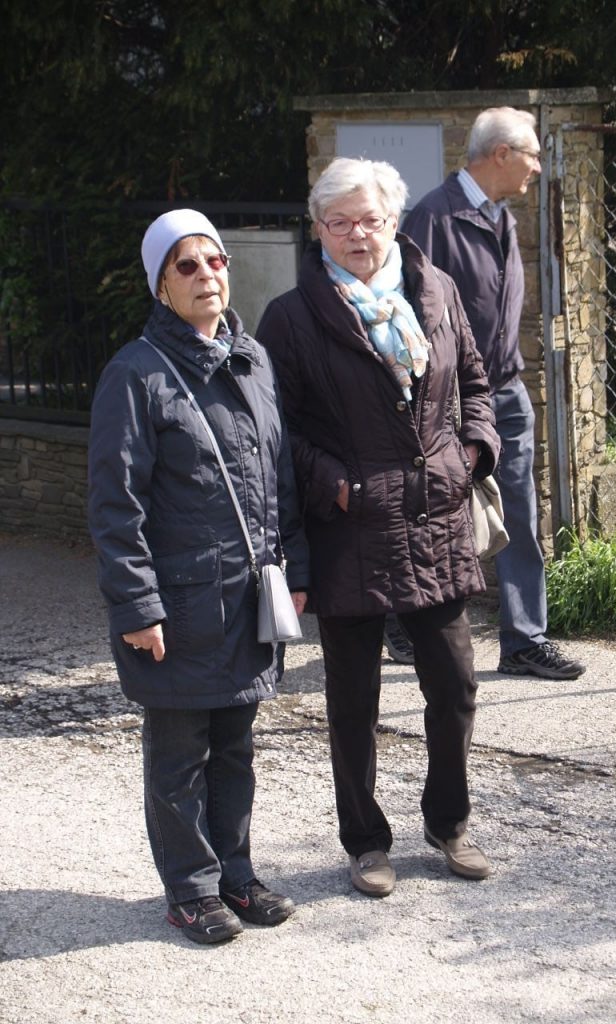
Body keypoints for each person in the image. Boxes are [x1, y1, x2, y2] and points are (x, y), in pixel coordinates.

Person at [256, 157, 500, 897]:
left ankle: (448, 823)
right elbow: (277, 428)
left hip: (435, 512)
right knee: (354, 699)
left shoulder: (436, 289)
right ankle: (365, 842)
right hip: (352, 523)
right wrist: (333, 482)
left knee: (454, 686)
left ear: (394, 220)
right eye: (340, 222)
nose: (357, 234)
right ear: (319, 229)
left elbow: (478, 384)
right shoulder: (292, 318)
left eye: (370, 219)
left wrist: (473, 453)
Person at [88, 209, 310, 944]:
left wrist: (294, 570)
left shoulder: (252, 360)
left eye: (214, 261)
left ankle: (235, 876)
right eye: (187, 266)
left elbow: (278, 480)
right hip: (179, 609)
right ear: (161, 284)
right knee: (180, 757)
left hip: (246, 601)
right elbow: (115, 505)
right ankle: (190, 890)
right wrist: (136, 605)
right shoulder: (136, 375)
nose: (207, 276)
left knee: (235, 748)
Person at [402, 107, 586, 681]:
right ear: (500, 154)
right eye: (530, 154)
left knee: (521, 512)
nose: (536, 165)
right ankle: (404, 619)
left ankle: (525, 640)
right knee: (428, 510)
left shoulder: (499, 216)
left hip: (505, 391)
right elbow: (410, 313)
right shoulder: (434, 218)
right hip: (445, 397)